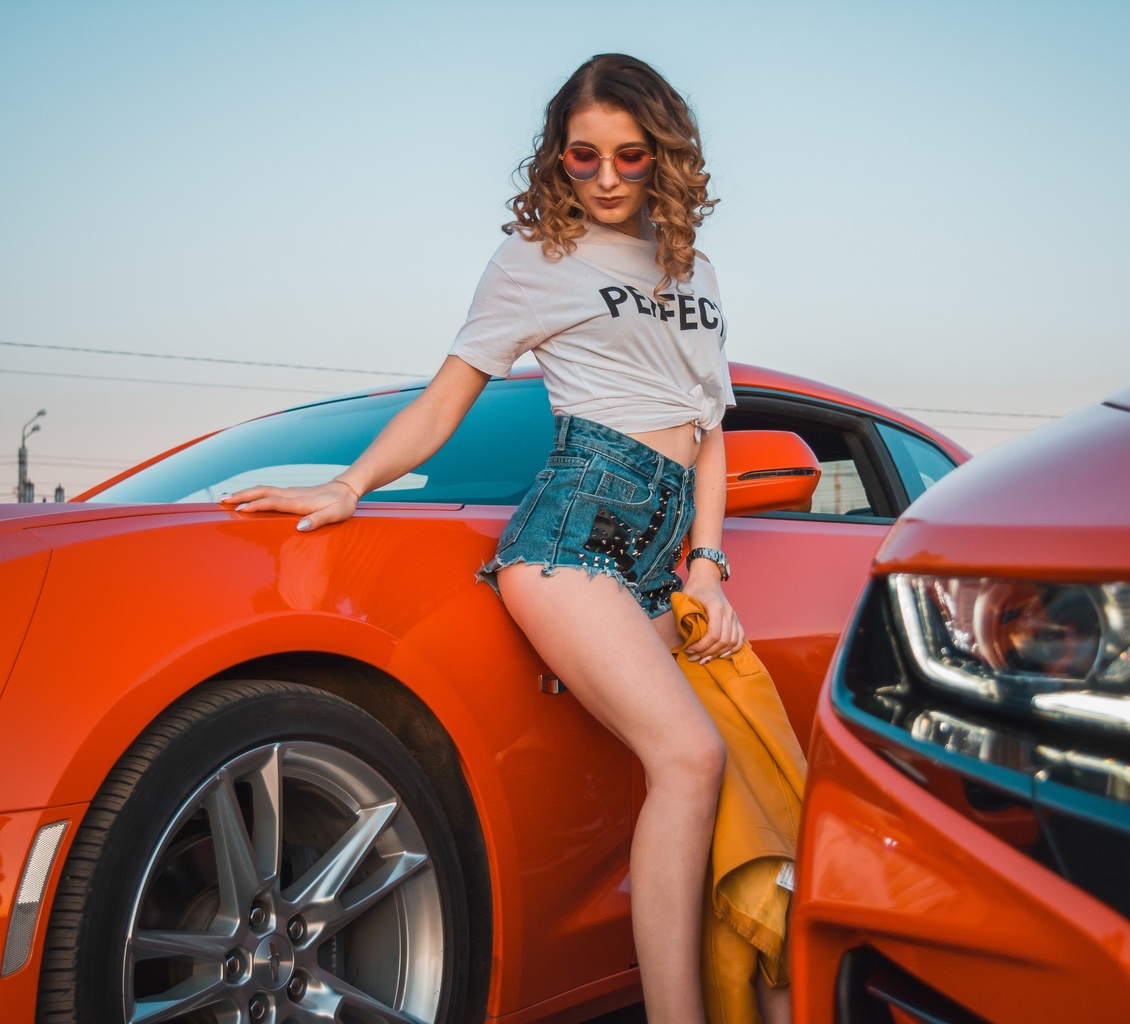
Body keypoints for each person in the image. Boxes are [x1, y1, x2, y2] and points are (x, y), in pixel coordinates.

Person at [225, 53, 787, 1024]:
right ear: (555, 159)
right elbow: (447, 398)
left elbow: (708, 436)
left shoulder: (694, 268)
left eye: (629, 156)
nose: (606, 178)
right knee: (690, 759)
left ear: (663, 156)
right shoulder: (536, 262)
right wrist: (352, 481)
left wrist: (709, 563)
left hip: (664, 554)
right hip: (572, 532)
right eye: (583, 157)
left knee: (717, 780)